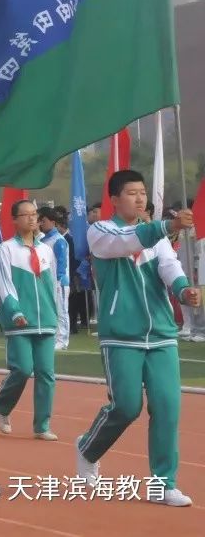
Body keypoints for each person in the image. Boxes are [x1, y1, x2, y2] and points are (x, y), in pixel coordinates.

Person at [76, 170, 200, 507]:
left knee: (167, 407)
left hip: (161, 333)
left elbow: (169, 266)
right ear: (114, 199)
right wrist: (168, 226)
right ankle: (88, 449)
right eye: (132, 193)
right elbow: (128, 242)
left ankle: (163, 483)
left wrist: (183, 289)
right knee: (126, 406)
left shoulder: (156, 236)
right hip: (122, 334)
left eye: (143, 193)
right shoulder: (100, 231)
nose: (140, 198)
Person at [0, 199, 59, 442]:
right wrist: (15, 311)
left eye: (34, 214)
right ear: (14, 220)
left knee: (46, 373)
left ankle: (42, 425)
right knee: (21, 369)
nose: (32, 219)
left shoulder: (46, 250)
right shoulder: (7, 249)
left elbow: (54, 285)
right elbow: (5, 284)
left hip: (46, 320)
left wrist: (58, 314)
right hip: (20, 319)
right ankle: (2, 407)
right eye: (26, 215)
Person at [38, 207, 71, 351]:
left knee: (61, 310)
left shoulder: (59, 240)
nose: (40, 224)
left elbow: (62, 261)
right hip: (47, 282)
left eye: (43, 221)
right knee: (51, 311)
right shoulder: (42, 240)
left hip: (58, 282)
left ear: (53, 222)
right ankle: (53, 336)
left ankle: (62, 339)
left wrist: (60, 278)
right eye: (39, 221)